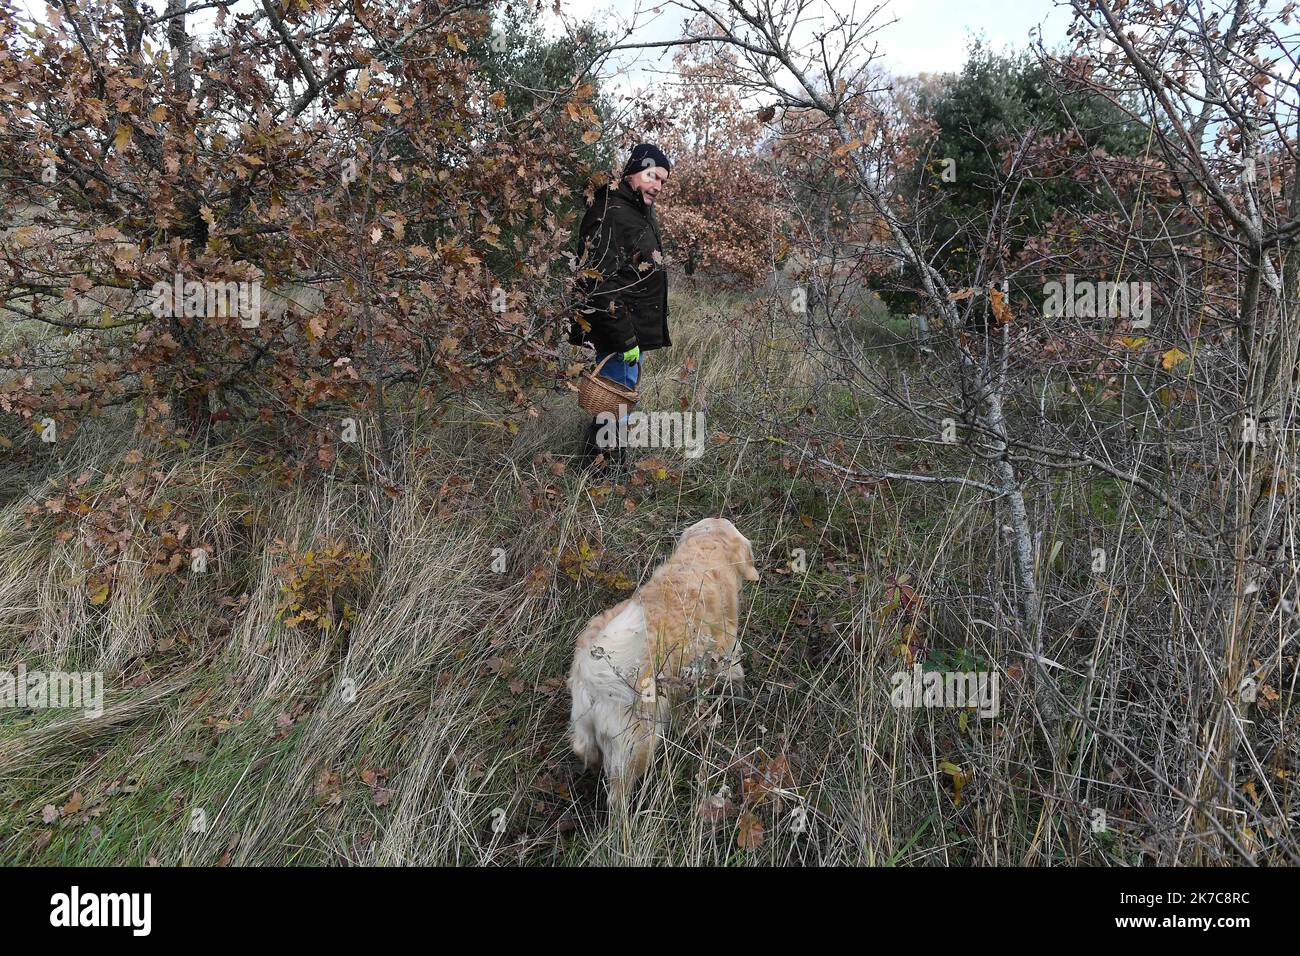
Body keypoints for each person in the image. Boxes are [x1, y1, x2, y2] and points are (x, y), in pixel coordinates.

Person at [570, 143, 672, 469]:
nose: (657, 185)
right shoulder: (610, 212)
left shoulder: (636, 211)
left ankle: (607, 470)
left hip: (630, 328)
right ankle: (601, 474)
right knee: (613, 404)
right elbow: (598, 282)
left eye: (662, 181)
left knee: (619, 404)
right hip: (618, 329)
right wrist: (626, 339)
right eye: (652, 175)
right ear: (632, 172)